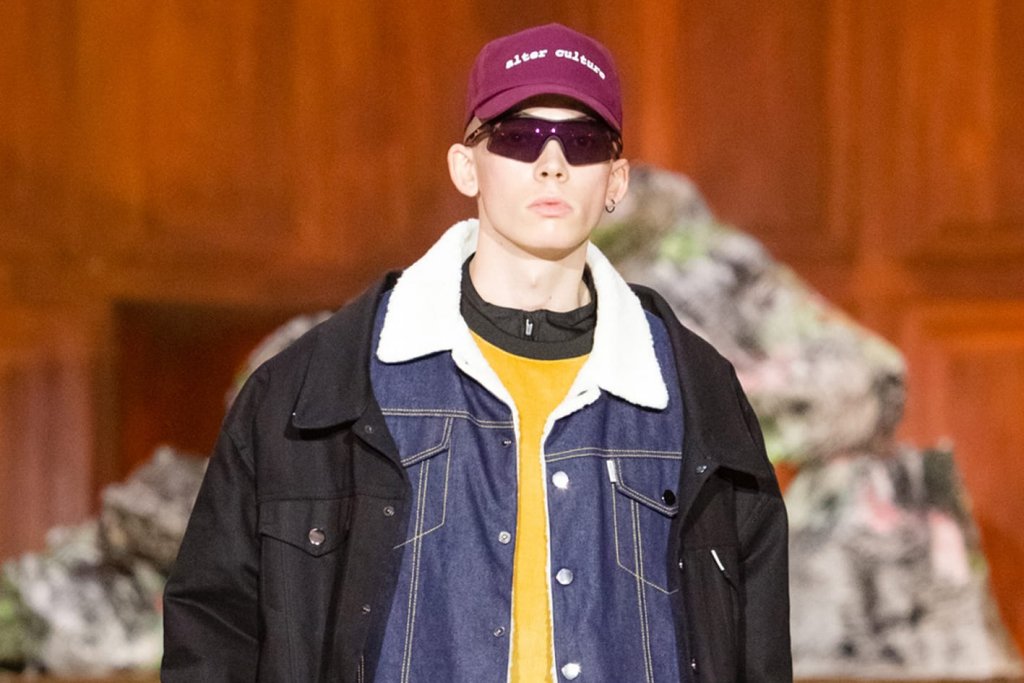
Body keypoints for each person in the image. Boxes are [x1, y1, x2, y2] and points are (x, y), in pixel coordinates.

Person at [162, 23, 791, 682]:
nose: (552, 164)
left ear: (616, 180)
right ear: (466, 167)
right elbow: (214, 631)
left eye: (582, 142)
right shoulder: (314, 389)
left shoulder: (698, 398)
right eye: (519, 137)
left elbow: (758, 650)